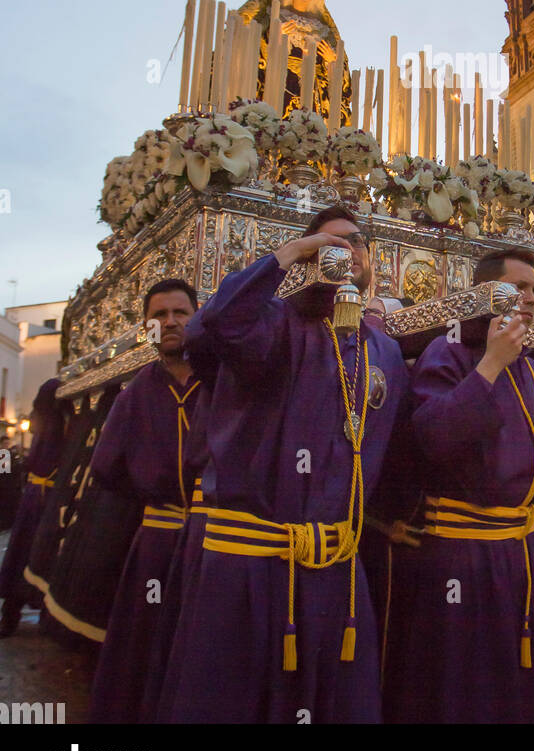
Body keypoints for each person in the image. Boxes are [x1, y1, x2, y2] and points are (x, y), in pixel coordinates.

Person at [158, 206, 408, 723]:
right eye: (329, 243)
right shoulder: (274, 323)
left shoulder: (383, 350)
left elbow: (394, 445)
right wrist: (291, 254)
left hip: (337, 570)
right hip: (252, 565)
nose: (347, 251)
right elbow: (215, 326)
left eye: (357, 242)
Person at [384, 247, 534, 724]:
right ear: (486, 293)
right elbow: (434, 437)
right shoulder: (449, 351)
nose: (531, 298)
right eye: (519, 288)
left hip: (522, 550)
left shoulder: (532, 368)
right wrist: (491, 364)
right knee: (464, 688)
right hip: (464, 554)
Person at [89, 280, 206, 722]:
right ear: (146, 327)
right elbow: (105, 467)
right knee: (145, 648)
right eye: (159, 315)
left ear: (197, 317)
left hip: (214, 543)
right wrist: (151, 489)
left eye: (180, 312)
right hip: (157, 546)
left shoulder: (221, 378)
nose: (170, 322)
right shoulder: (136, 392)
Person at [0, 380, 70, 637]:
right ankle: (16, 611)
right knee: (25, 553)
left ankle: (22, 611)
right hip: (41, 499)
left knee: (31, 554)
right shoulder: (53, 423)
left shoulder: (51, 423)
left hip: (40, 498)